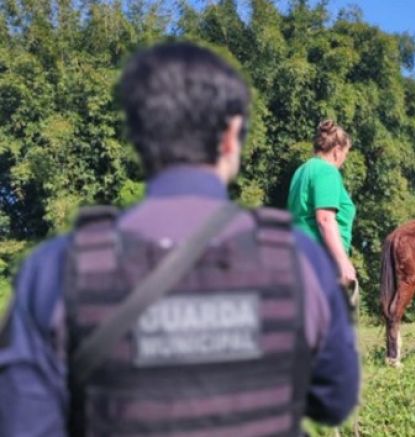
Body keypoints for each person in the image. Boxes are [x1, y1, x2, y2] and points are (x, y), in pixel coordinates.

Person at [0, 42, 359, 436]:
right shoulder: (298, 261)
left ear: (138, 137)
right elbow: (334, 399)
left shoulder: (56, 269)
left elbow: (24, 423)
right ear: (231, 135)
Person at [287, 120, 357, 287]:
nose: (343, 161)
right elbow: (325, 220)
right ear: (337, 151)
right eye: (345, 154)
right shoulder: (327, 171)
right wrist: (343, 262)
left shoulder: (301, 171)